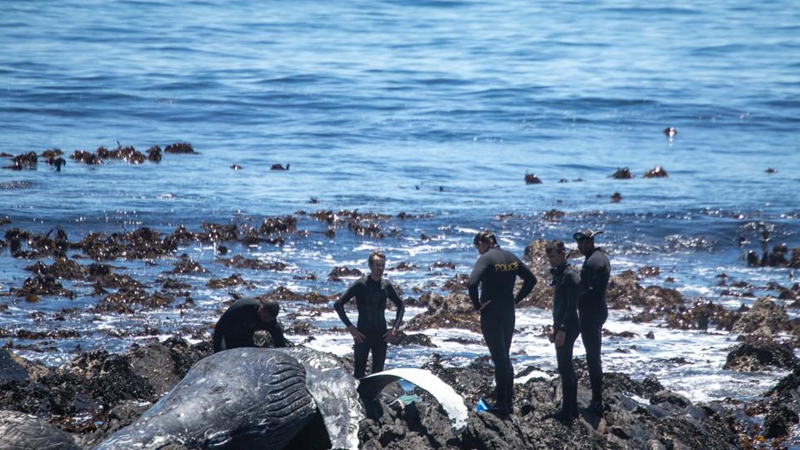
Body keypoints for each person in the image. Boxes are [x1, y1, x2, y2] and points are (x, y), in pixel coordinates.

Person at [468, 230, 537, 415]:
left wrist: (477, 306)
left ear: (483, 243)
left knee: (499, 358)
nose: (478, 252)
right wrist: (516, 299)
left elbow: (472, 283)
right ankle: (507, 402)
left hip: (491, 313)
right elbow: (531, 279)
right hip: (508, 312)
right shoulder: (511, 257)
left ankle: (500, 404)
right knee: (504, 356)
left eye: (477, 247)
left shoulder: (487, 258)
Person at [334, 251, 405, 379]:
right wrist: (351, 328)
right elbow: (338, 304)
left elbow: (401, 305)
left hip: (381, 336)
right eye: (377, 265)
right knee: (359, 374)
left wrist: (394, 330)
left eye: (382, 265)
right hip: (362, 336)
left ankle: (374, 399)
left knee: (378, 375)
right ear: (370, 266)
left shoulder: (386, 285)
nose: (381, 268)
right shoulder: (361, 284)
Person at [573, 229, 611, 414]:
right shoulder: (596, 257)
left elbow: (593, 291)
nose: (580, 247)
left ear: (591, 242)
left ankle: (597, 400)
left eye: (583, 243)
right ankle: (597, 397)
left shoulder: (595, 261)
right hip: (595, 310)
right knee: (592, 355)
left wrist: (574, 300)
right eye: (579, 244)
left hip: (592, 312)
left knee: (592, 357)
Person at [545, 240, 581, 421]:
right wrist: (554, 326)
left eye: (552, 256)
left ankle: (568, 411)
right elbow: (559, 305)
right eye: (548, 257)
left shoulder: (570, 275)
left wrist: (563, 330)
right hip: (561, 325)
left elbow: (572, 306)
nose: (550, 260)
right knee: (565, 366)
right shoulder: (560, 274)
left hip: (570, 326)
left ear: (562, 254)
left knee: (565, 367)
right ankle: (572, 409)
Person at [213, 298, 288, 353]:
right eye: (266, 317)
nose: (267, 321)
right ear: (261, 309)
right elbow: (219, 328)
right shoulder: (243, 308)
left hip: (246, 336)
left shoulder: (271, 322)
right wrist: (216, 352)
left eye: (270, 319)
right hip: (229, 332)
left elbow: (280, 345)